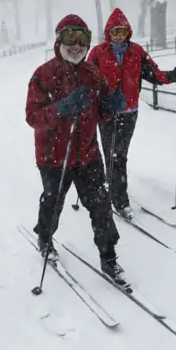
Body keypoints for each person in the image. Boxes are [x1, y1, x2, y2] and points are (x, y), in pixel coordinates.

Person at [25, 14, 128, 284]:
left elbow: (101, 112)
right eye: (70, 37)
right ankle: (45, 238)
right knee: (53, 201)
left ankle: (109, 258)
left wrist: (110, 106)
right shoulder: (43, 75)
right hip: (53, 156)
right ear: (59, 40)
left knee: (100, 205)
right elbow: (32, 117)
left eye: (83, 39)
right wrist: (61, 108)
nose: (77, 45)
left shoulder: (93, 74)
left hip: (88, 155)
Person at [87, 8, 176, 220]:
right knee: (113, 155)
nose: (119, 36)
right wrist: (97, 101)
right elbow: (87, 82)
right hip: (106, 113)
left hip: (129, 113)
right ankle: (120, 200)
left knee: (119, 155)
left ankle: (113, 186)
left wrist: (173, 75)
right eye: (114, 32)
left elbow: (155, 74)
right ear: (108, 32)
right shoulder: (97, 53)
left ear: (128, 31)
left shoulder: (137, 52)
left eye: (122, 31)